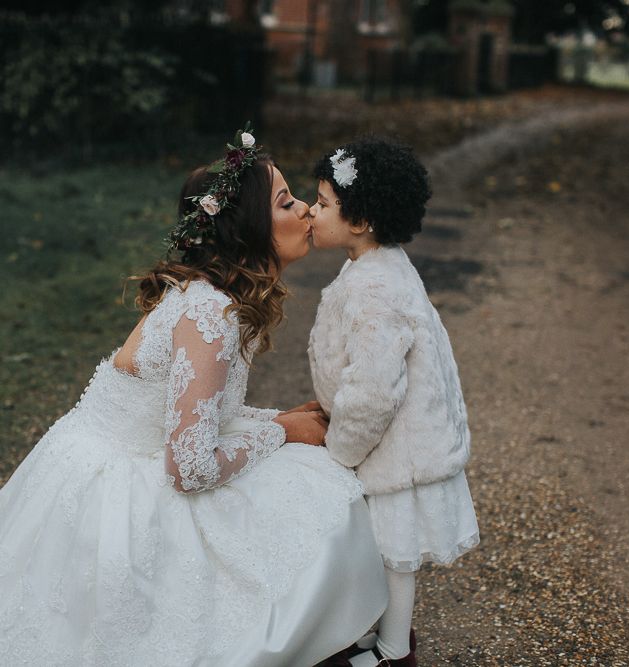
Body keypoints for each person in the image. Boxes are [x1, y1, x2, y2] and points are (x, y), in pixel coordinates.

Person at [0, 129, 388, 667]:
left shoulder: (217, 296)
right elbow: (189, 466)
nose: (303, 209)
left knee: (303, 472)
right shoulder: (209, 315)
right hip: (117, 485)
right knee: (318, 490)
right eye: (285, 200)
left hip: (131, 453)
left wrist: (275, 417)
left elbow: (201, 411)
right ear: (248, 227)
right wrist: (283, 431)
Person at [308, 137, 480, 667]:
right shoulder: (378, 264)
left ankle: (392, 650)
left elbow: (375, 390)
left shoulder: (375, 287)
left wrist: (340, 451)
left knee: (392, 553)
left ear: (359, 221)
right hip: (393, 443)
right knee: (381, 551)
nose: (311, 212)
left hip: (393, 448)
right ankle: (375, 632)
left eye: (322, 203)